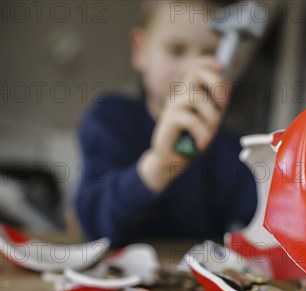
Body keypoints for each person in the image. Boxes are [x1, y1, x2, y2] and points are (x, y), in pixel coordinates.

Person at [74, 1, 257, 246]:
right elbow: (94, 227)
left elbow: (250, 236)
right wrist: (159, 165)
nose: (192, 70)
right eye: (176, 50)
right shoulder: (111, 120)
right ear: (140, 50)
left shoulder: (238, 153)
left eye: (211, 53)